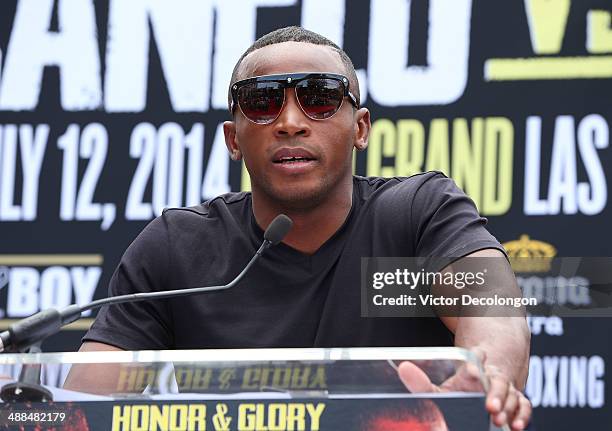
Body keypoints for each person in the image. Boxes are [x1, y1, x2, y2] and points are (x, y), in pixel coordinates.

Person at [65, 26, 531, 429]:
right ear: (233, 139)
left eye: (320, 100)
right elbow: (83, 408)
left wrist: (485, 381)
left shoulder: (419, 212)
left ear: (361, 128)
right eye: (263, 103)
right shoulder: (176, 247)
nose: (290, 123)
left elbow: (490, 308)